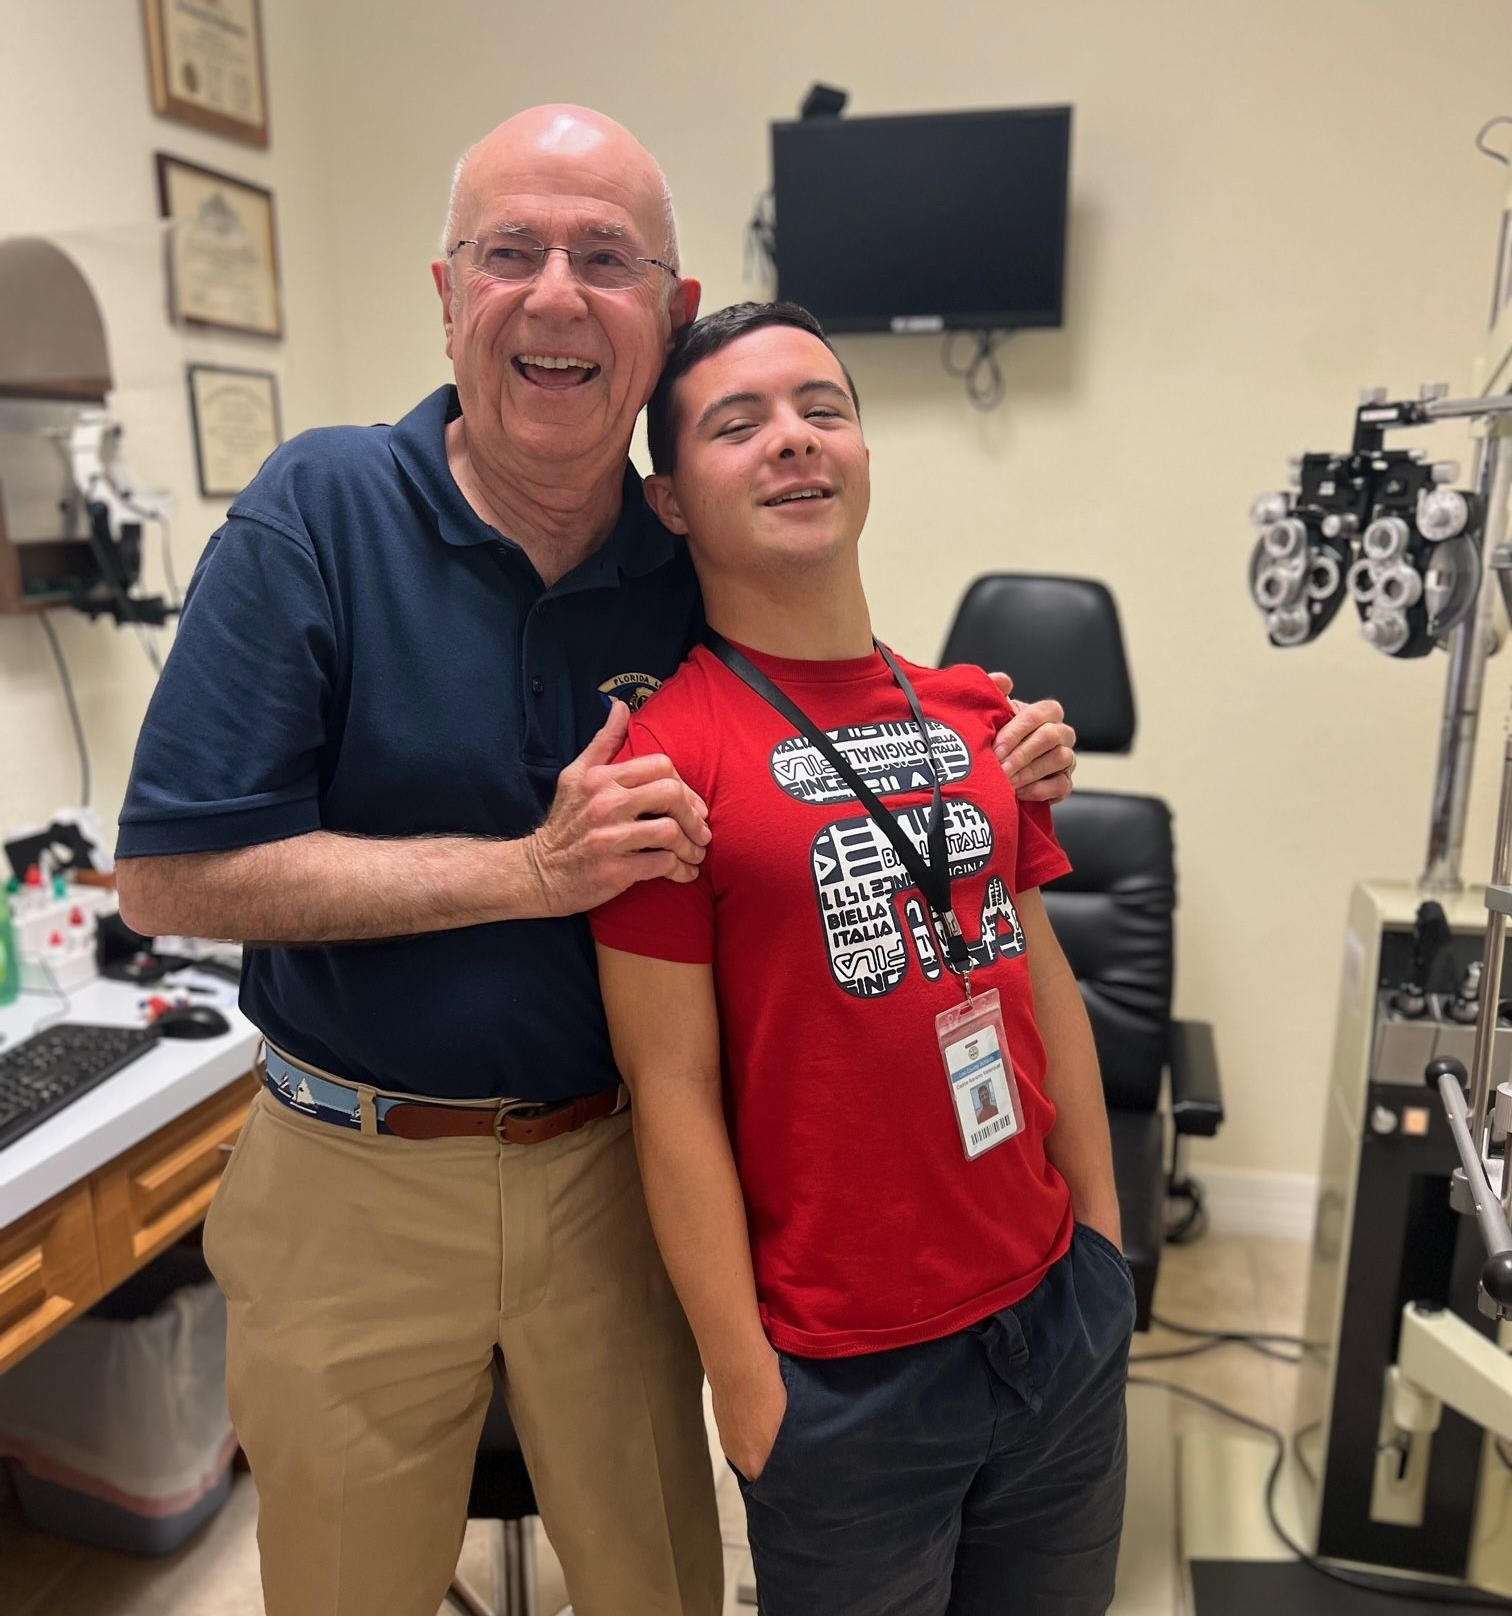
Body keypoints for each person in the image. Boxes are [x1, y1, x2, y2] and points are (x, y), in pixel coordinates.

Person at [113, 108, 1079, 1616]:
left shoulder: (681, 551)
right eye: (512, 252)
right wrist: (524, 871)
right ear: (448, 294)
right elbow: (173, 878)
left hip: (615, 1175)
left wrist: (989, 749)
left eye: (607, 259)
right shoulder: (320, 512)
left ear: (668, 314)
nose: (556, 293)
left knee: (662, 1586)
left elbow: (826, 705)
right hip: (354, 1169)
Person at [591, 301, 1133, 1616]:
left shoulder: (979, 715)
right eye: (740, 423)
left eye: (820, 408)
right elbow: (669, 1089)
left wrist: (1105, 1244)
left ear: (864, 451)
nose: (793, 441)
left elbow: (1034, 971)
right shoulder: (661, 760)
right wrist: (748, 1381)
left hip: (1054, 1315)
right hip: (845, 1377)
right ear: (669, 500)